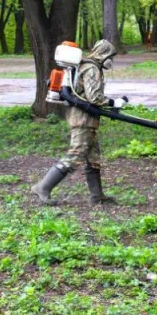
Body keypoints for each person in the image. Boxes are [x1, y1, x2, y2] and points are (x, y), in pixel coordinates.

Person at [31, 39, 127, 205]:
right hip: (83, 119)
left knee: (93, 157)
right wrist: (114, 102)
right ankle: (43, 187)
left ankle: (97, 196)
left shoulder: (85, 65)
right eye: (111, 56)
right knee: (76, 154)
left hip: (86, 119)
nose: (111, 61)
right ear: (104, 54)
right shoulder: (92, 68)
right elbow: (94, 97)